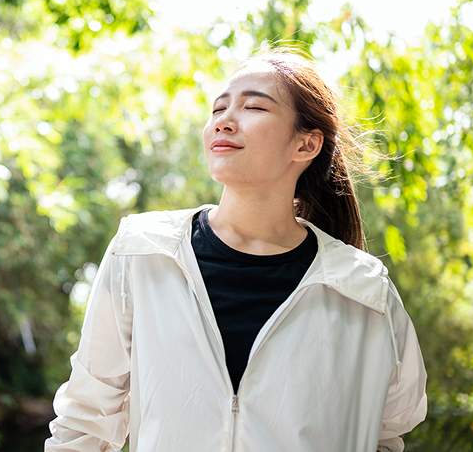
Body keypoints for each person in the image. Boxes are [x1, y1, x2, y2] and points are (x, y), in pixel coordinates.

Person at [44, 47, 428, 452]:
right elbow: (85, 421)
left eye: (254, 108)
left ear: (306, 145)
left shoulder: (363, 291)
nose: (224, 121)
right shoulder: (142, 253)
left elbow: (386, 431)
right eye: (218, 109)